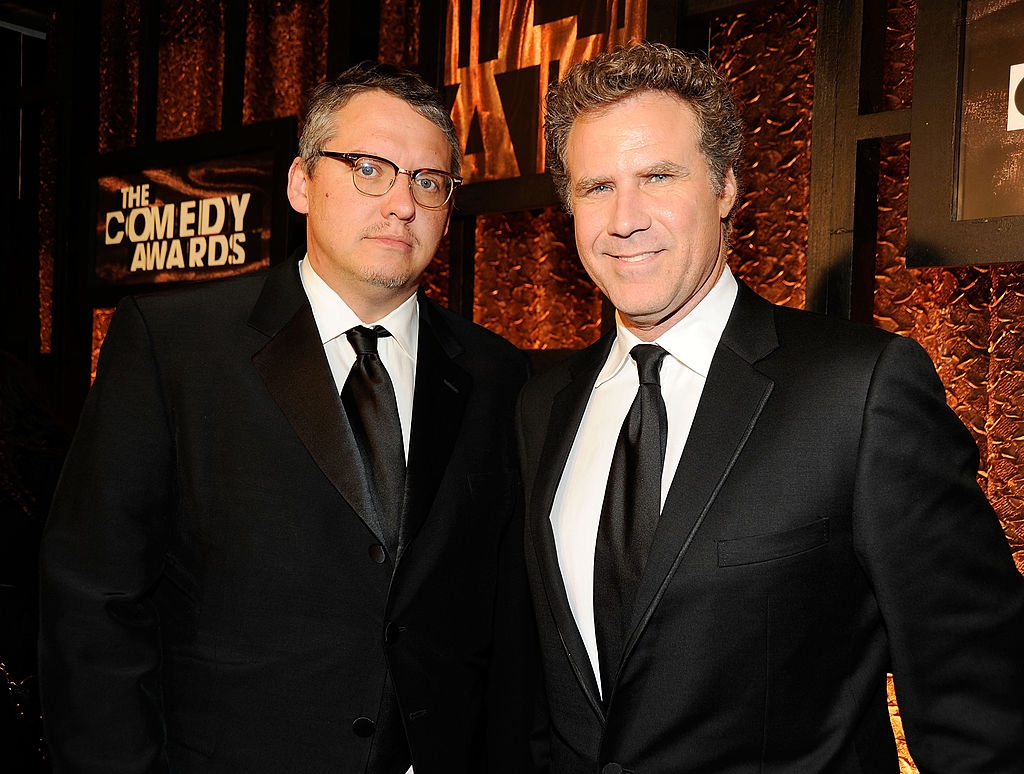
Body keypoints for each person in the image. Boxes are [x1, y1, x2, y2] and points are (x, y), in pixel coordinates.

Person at [516, 41, 1024, 773]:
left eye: (658, 176)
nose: (624, 219)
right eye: (597, 186)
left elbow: (978, 705)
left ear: (726, 186)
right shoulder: (543, 405)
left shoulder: (859, 391)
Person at [39, 61, 538, 774]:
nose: (403, 203)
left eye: (429, 181)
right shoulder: (174, 345)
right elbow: (95, 598)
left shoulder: (498, 374)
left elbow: (506, 623)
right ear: (302, 182)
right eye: (370, 169)